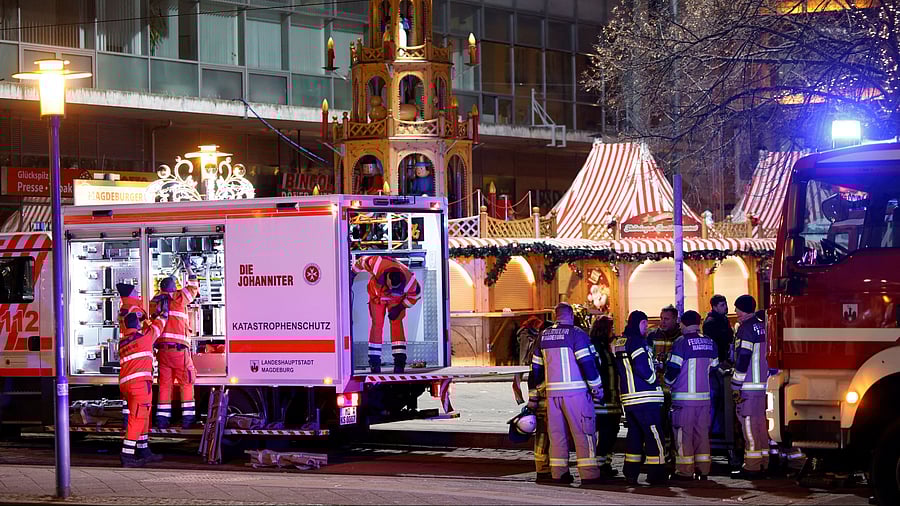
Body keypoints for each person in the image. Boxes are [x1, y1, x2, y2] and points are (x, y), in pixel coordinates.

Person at [527, 303, 604, 486]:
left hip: (552, 395)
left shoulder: (543, 336)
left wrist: (535, 395)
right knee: (583, 433)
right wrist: (597, 388)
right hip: (576, 393)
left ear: (555, 316)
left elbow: (535, 369)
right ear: (570, 315)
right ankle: (589, 474)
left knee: (557, 435)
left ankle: (559, 473)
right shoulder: (576, 334)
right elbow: (588, 363)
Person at [613, 310, 667, 486]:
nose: (646, 327)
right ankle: (657, 474)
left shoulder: (621, 341)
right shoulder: (638, 342)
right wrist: (654, 378)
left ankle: (631, 473)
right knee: (654, 435)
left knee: (634, 436)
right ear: (640, 323)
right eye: (645, 323)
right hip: (645, 396)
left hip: (629, 398)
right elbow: (643, 368)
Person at [665, 310, 718, 480]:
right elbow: (715, 367)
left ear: (683, 323)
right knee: (701, 433)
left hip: (684, 399)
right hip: (704, 398)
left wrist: (666, 382)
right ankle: (703, 469)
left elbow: (673, 369)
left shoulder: (681, 342)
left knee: (683, 434)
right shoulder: (710, 342)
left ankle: (684, 470)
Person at [152, 257, 200, 429]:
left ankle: (162, 421)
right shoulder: (179, 298)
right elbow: (193, 287)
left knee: (165, 385)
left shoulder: (155, 302)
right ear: (174, 288)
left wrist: (172, 274)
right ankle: (188, 420)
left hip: (163, 353)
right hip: (179, 352)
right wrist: (188, 268)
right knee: (186, 382)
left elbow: (165, 288)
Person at [353, 255, 422, 373]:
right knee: (377, 325)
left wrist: (400, 307)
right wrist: (352, 273)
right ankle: (374, 362)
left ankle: (399, 362)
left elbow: (415, 296)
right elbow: (362, 261)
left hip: (396, 301)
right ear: (388, 279)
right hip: (377, 297)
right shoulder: (377, 264)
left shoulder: (410, 281)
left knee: (396, 323)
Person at [119, 310, 168, 467]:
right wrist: (162, 314)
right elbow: (158, 328)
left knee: (143, 416)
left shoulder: (124, 342)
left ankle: (143, 449)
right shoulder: (144, 339)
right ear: (137, 325)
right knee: (138, 418)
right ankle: (127, 455)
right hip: (139, 385)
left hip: (127, 385)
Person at [731, 294, 769, 478]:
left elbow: (743, 357)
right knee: (761, 424)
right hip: (763, 386)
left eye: (737, 308)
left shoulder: (745, 329)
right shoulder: (763, 326)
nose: (735, 312)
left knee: (749, 425)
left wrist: (736, 382)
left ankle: (752, 466)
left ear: (744, 309)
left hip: (748, 386)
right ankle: (764, 462)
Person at [589, 316, 621, 478]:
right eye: (611, 328)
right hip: (602, 401)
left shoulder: (605, 347)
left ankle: (605, 464)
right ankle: (600, 466)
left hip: (611, 399)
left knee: (612, 432)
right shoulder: (596, 348)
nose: (614, 331)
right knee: (606, 433)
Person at [116, 283, 147, 429]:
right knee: (136, 401)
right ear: (130, 295)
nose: (137, 293)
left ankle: (125, 420)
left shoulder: (123, 309)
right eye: (135, 291)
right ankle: (132, 426)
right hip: (136, 344)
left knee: (127, 398)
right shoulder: (134, 309)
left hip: (126, 345)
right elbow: (144, 322)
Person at [703, 294, 735, 437]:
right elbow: (717, 342)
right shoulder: (711, 323)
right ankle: (716, 430)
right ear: (714, 307)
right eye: (722, 305)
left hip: (724, 361)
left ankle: (720, 428)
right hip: (717, 364)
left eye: (725, 304)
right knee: (717, 397)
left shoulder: (723, 320)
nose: (726, 307)